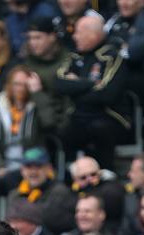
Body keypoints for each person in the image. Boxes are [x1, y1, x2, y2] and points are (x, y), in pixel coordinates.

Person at [55, 14, 127, 169]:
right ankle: (69, 177)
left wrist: (75, 87)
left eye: (78, 32)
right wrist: (90, 83)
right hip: (78, 116)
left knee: (99, 129)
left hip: (108, 116)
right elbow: (60, 85)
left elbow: (107, 95)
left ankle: (107, 173)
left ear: (93, 35)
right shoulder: (74, 56)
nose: (74, 37)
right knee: (61, 131)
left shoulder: (111, 56)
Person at [6, 146, 77, 235]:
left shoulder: (61, 192)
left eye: (38, 166)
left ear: (49, 168)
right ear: (22, 170)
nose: (33, 172)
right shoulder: (15, 194)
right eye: (28, 167)